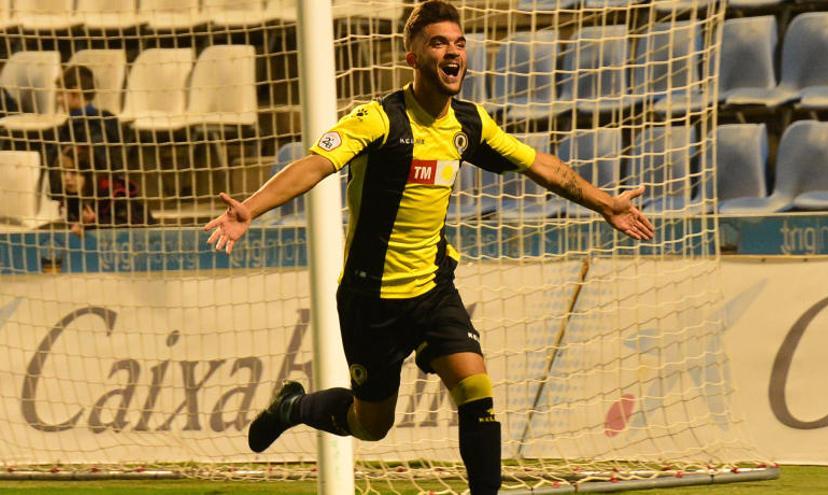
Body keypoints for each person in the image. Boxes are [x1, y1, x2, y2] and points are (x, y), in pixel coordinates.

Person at [204, 2, 654, 493]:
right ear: (412, 57)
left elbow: (540, 165)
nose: (453, 52)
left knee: (476, 389)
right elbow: (314, 165)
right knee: (371, 425)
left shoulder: (469, 123)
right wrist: (251, 207)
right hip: (371, 299)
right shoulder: (377, 120)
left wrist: (604, 202)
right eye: (439, 43)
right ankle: (293, 406)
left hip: (433, 289)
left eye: (459, 43)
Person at [47, 65, 123, 199]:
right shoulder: (101, 120)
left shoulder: (92, 126)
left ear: (76, 91)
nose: (58, 100)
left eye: (60, 93)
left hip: (95, 196)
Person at [59, 145, 154, 236]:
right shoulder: (70, 200)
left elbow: (134, 225)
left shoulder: (115, 195)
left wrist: (94, 223)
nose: (67, 178)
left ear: (89, 173)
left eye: (74, 172)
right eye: (63, 172)